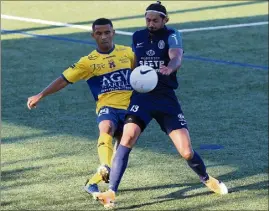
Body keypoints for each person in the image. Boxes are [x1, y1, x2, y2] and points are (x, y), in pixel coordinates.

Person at [96, 1, 228, 209]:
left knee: (186, 151)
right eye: (148, 19)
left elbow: (176, 56)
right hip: (142, 98)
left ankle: (206, 178)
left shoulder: (172, 35)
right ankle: (111, 191)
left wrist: (170, 67)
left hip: (166, 98)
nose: (151, 23)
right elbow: (134, 63)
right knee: (127, 137)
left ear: (165, 20)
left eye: (155, 20)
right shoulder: (137, 36)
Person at [26, 18, 135, 200]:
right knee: (106, 127)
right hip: (107, 107)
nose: (104, 37)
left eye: (107, 32)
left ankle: (92, 182)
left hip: (131, 110)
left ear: (113, 33)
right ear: (93, 36)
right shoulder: (88, 62)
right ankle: (104, 165)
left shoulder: (128, 53)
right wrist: (40, 95)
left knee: (121, 154)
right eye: (99, 33)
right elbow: (63, 79)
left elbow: (142, 72)